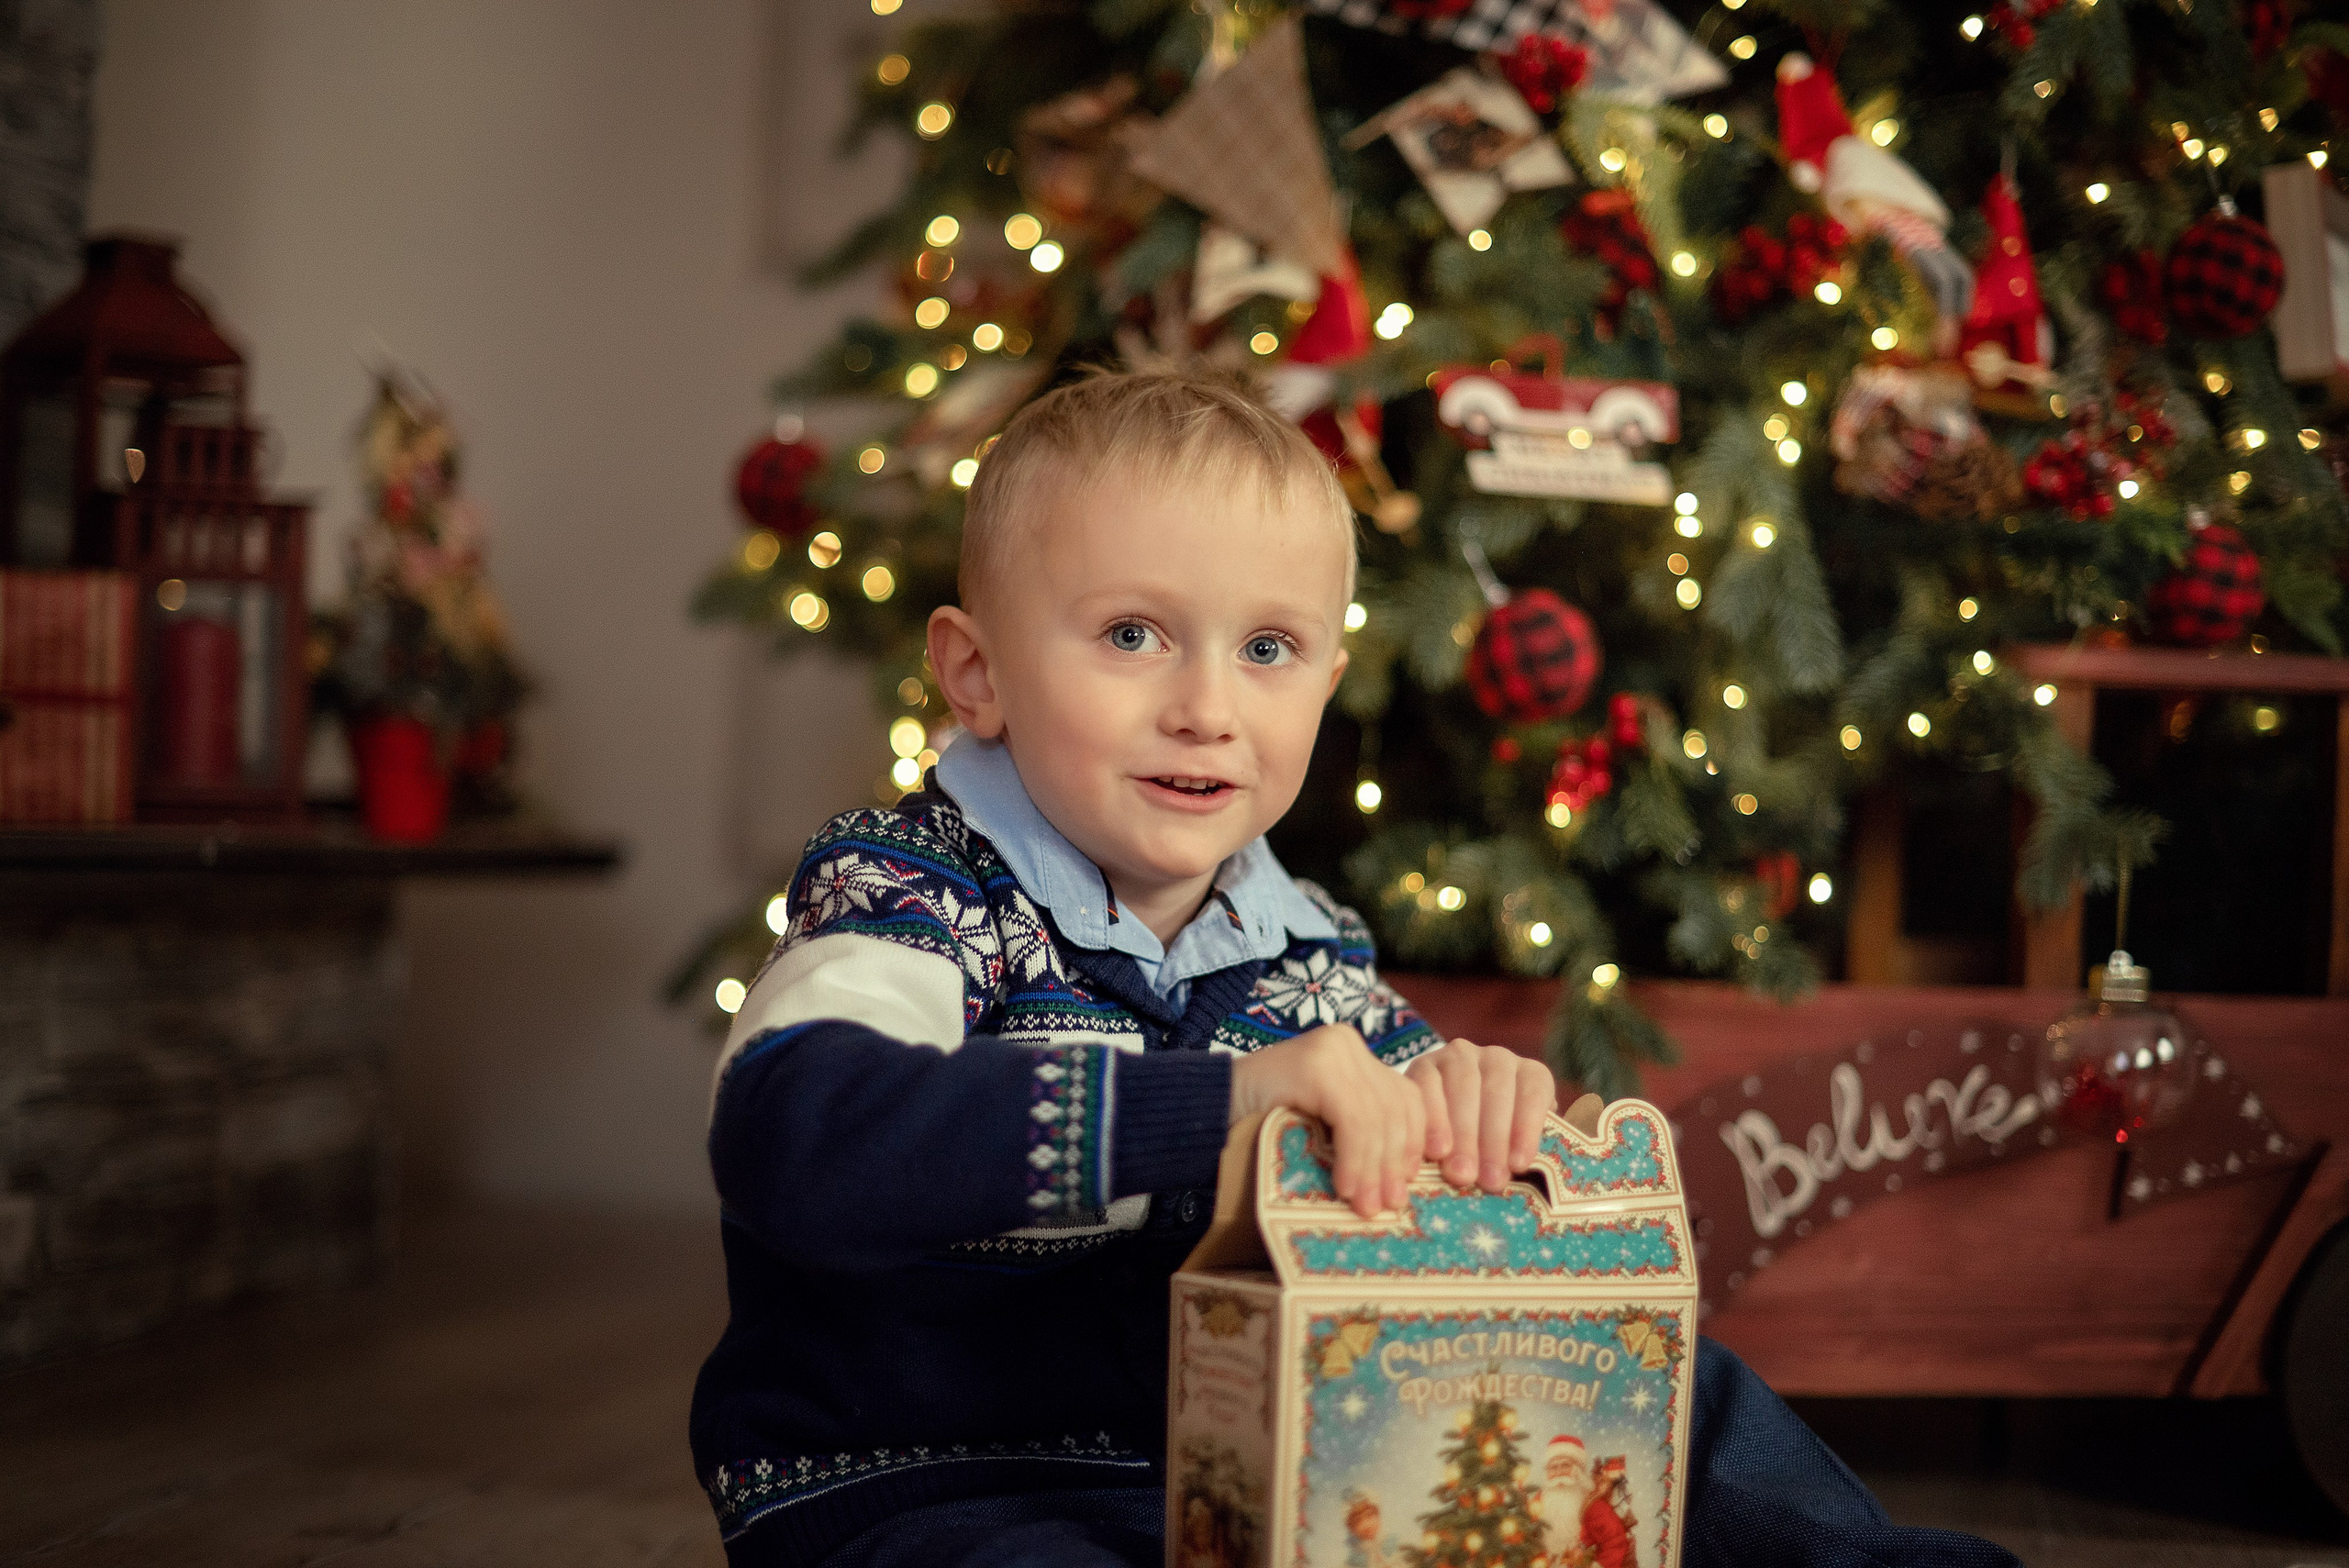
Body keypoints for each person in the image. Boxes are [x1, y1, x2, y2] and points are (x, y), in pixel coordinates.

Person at [690, 371, 2022, 1568]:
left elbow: (1410, 1187)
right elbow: (792, 1135)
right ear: (975, 673)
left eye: (1266, 649)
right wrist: (1215, 1107)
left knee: (1671, 1385)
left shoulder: (1308, 954)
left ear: (1326, 679)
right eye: (1133, 635)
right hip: (924, 1479)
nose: (1207, 704)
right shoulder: (912, 887)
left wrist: (1471, 1109)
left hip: (1236, 1464)